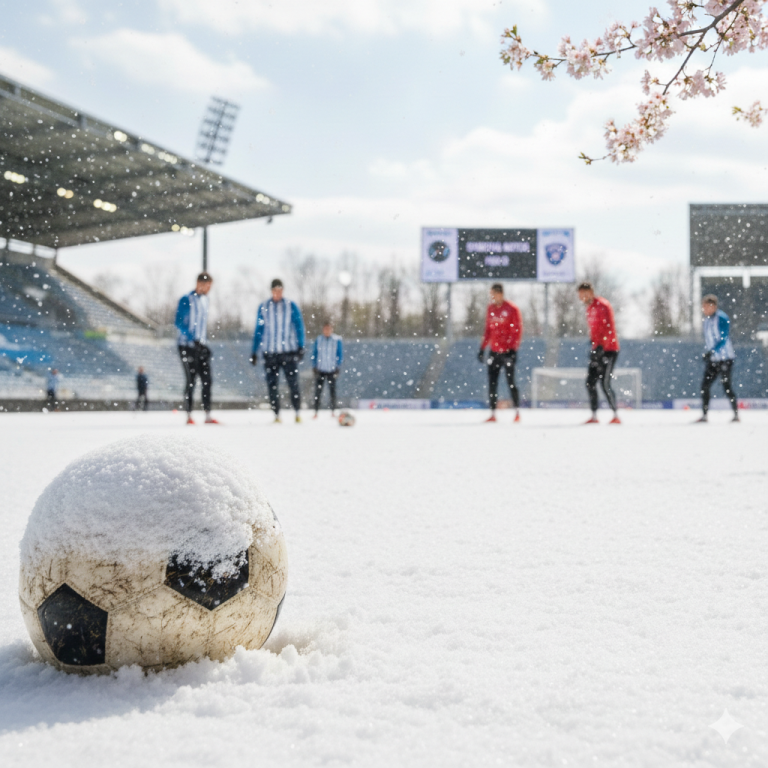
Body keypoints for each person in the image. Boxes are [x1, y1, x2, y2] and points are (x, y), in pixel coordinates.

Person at [250, 279, 306, 423]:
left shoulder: (291, 306)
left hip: (288, 352)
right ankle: (276, 415)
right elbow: (259, 329)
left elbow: (299, 326)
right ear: (271, 291)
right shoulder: (263, 307)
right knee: (272, 385)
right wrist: (254, 351)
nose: (277, 293)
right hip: (270, 352)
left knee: (293, 383)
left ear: (283, 290)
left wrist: (301, 346)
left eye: (279, 290)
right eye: (275, 291)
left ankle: (297, 412)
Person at [175, 272, 218, 425]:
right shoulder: (186, 299)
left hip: (201, 345)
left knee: (207, 380)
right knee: (191, 380)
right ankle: (188, 415)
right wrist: (192, 338)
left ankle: (207, 415)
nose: (209, 289)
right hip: (186, 346)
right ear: (200, 283)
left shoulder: (206, 300)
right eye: (208, 286)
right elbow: (179, 322)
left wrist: (203, 342)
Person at [477, 283, 523, 423]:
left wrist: (512, 349)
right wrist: (482, 348)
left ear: (500, 294)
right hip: (494, 352)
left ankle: (517, 412)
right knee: (492, 383)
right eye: (490, 294)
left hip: (508, 352)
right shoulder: (490, 308)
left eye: (493, 294)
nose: (491, 297)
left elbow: (517, 330)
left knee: (511, 382)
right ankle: (493, 414)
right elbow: (488, 330)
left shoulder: (512, 309)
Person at [577, 281, 621, 424]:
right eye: (580, 295)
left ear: (590, 292)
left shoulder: (603, 305)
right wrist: (594, 345)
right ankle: (594, 416)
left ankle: (615, 415)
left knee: (605, 383)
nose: (581, 298)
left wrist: (603, 346)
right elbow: (594, 330)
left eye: (583, 294)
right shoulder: (589, 309)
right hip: (597, 349)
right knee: (590, 382)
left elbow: (608, 327)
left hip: (609, 350)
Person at [697, 294, 739, 423]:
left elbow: (723, 338)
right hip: (713, 360)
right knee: (704, 386)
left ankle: (736, 415)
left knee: (727, 386)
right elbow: (709, 340)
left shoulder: (722, 318)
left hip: (725, 358)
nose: (704, 309)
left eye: (706, 306)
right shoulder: (706, 321)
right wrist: (708, 353)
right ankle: (704, 415)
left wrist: (712, 351)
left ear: (713, 306)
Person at [311, 321, 343, 417]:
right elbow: (314, 353)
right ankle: (316, 411)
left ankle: (333, 411)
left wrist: (338, 366)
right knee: (318, 392)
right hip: (320, 369)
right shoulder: (319, 339)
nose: (327, 331)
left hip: (332, 369)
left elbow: (340, 354)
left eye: (329, 329)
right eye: (325, 329)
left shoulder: (337, 340)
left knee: (332, 391)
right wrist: (314, 366)